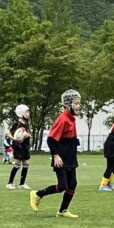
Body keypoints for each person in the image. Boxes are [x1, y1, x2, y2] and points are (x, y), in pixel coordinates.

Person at [30, 89, 81, 218]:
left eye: (79, 103)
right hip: (61, 157)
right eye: (76, 103)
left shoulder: (72, 119)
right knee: (63, 185)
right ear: (68, 105)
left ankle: (63, 211)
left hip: (70, 157)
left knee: (72, 184)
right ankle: (37, 194)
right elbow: (51, 139)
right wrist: (56, 155)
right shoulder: (63, 119)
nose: (79, 106)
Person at [6, 104, 31, 189]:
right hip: (18, 146)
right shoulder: (16, 124)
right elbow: (8, 133)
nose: (28, 113)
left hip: (25, 146)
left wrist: (27, 135)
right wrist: (14, 138)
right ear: (21, 113)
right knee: (17, 164)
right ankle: (9, 183)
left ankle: (22, 184)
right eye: (27, 112)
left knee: (26, 164)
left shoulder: (26, 124)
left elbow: (29, 134)